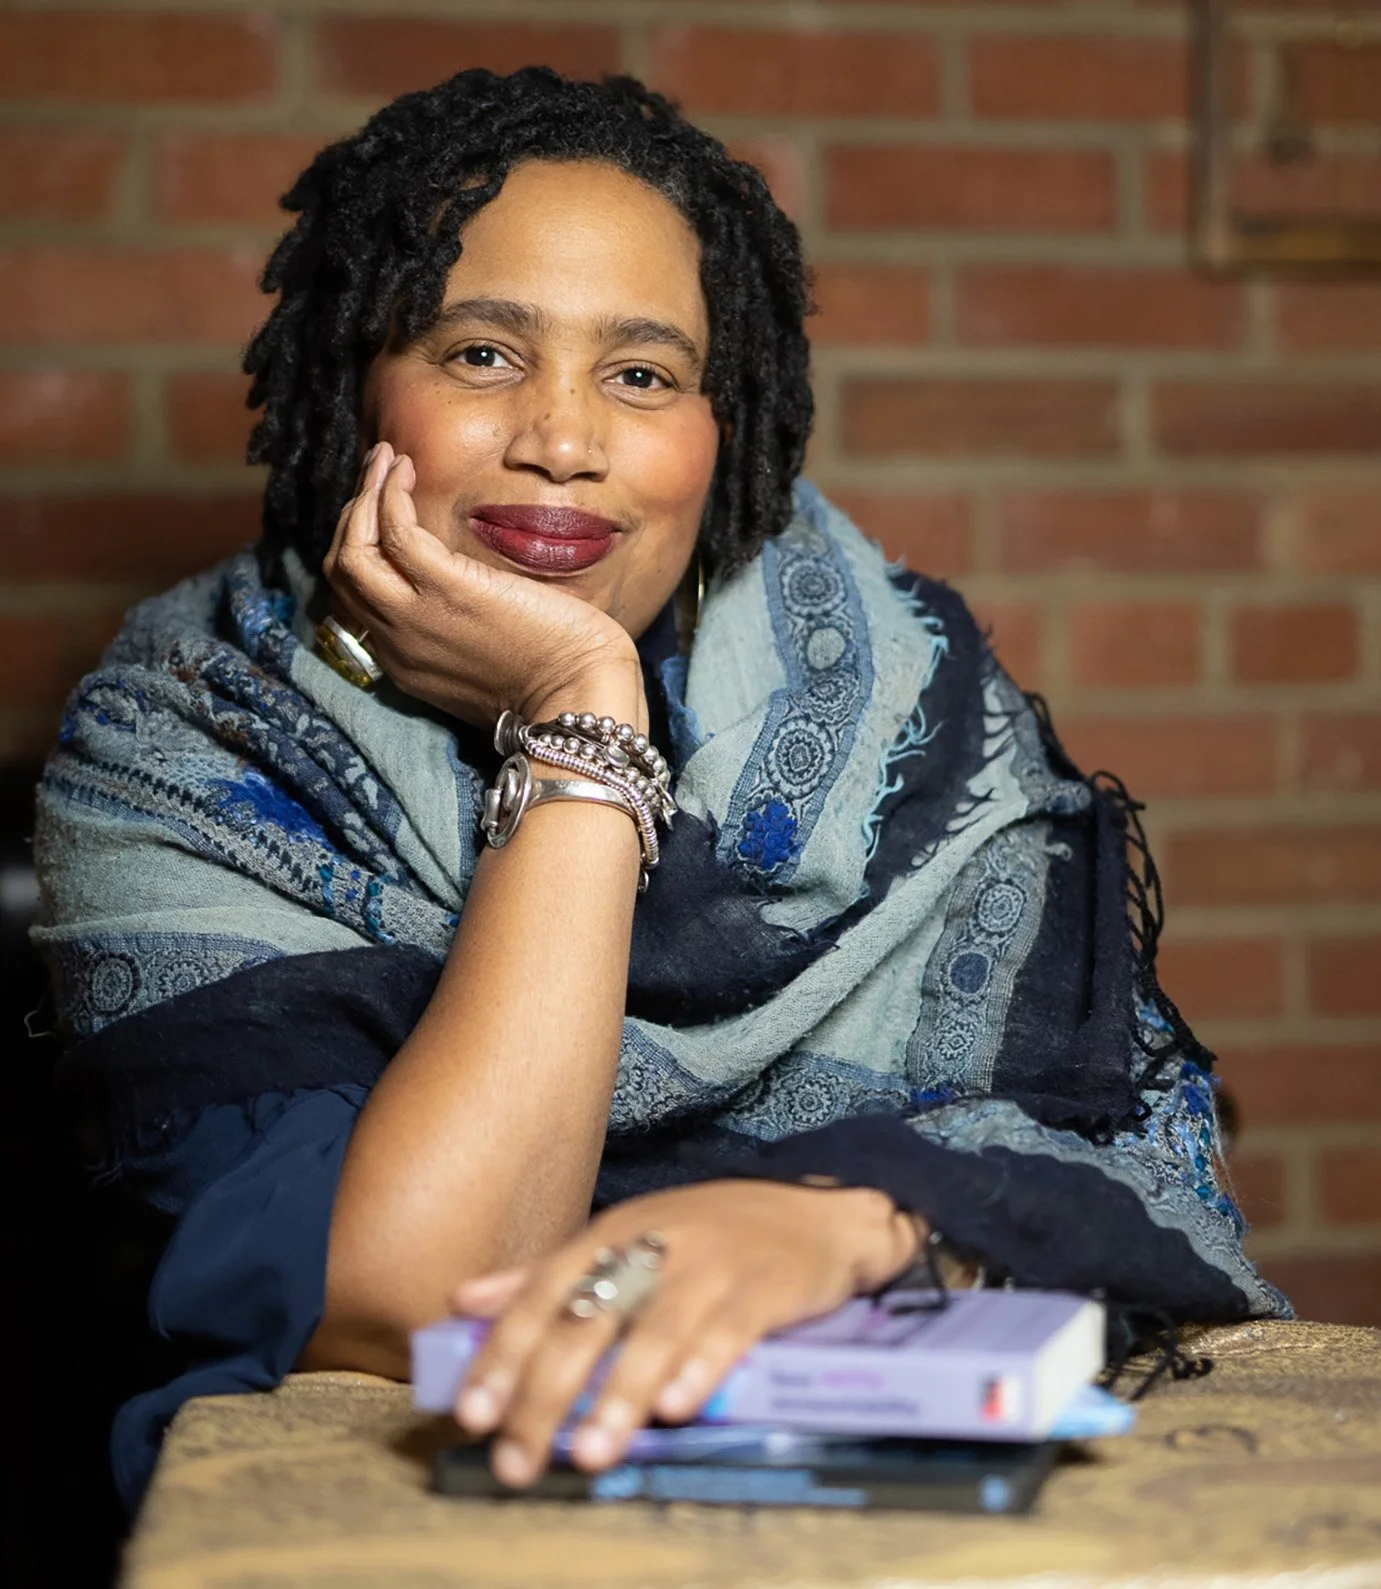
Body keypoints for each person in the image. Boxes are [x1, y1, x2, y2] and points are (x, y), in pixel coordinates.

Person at [33, 67, 1288, 1511]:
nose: (562, 440)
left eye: (640, 374)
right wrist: (578, 715)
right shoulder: (187, 738)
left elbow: (1108, 1169)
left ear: (721, 428)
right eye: (481, 353)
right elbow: (411, 1303)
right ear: (352, 386)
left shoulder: (914, 706)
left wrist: (847, 1226)